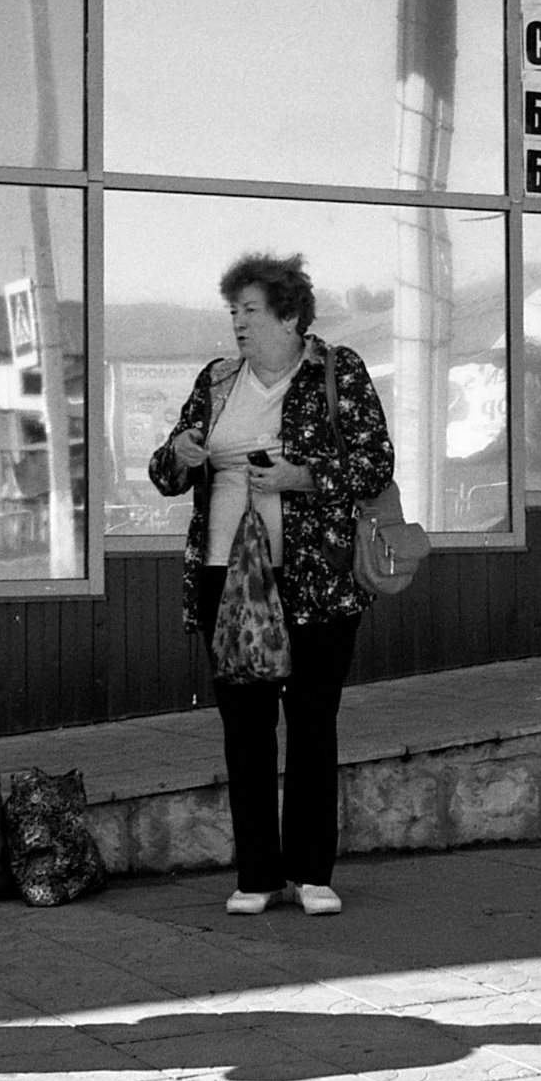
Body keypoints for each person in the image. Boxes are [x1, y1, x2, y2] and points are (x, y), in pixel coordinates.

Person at [148, 252, 394, 918]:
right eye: (233, 311)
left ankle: (312, 874)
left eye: (250, 310)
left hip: (315, 580)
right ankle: (257, 875)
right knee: (246, 728)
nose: (238, 323)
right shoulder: (217, 380)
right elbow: (164, 471)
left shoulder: (336, 373)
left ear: (289, 315)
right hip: (227, 577)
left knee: (312, 721)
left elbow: (374, 464)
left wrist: (301, 478)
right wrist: (182, 455)